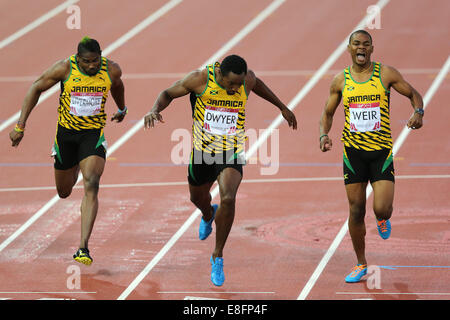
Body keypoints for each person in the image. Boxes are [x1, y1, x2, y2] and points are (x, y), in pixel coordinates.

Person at [144, 54, 297, 286]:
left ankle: (217, 255)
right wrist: (155, 109)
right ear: (219, 75)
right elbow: (167, 93)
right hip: (202, 152)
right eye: (231, 84)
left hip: (230, 152)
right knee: (197, 197)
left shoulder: (247, 80)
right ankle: (207, 214)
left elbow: (258, 85)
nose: (236, 88)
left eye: (239, 83)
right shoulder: (200, 79)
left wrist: (282, 107)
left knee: (229, 196)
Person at [9, 36, 128, 266]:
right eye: (86, 62)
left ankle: (83, 247)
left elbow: (118, 85)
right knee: (64, 192)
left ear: (101, 56)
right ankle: (74, 165)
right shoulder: (65, 68)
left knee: (92, 183)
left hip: (92, 135)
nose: (92, 65)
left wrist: (122, 108)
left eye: (95, 60)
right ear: (78, 59)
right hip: (66, 136)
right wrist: (20, 126)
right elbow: (36, 87)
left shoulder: (111, 69)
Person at [319, 30, 424, 282]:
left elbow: (413, 94)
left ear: (372, 49)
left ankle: (382, 218)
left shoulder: (385, 74)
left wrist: (418, 111)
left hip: (381, 153)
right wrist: (323, 134)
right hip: (353, 154)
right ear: (349, 48)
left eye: (366, 44)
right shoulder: (340, 81)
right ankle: (360, 263)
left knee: (382, 208)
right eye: (356, 44)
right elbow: (328, 113)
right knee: (355, 211)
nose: (361, 48)